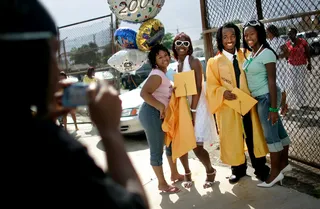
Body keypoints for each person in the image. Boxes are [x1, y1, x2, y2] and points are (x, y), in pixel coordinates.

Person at [2, 1, 148, 208]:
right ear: (33, 58)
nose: (58, 67)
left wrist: (45, 114)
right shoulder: (49, 147)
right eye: (54, 55)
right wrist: (110, 132)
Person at [206, 22, 270, 184]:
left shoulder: (247, 54)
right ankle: (238, 170)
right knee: (233, 136)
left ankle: (261, 168)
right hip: (229, 106)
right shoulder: (214, 62)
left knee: (253, 134)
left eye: (233, 35)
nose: (229, 39)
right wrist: (222, 92)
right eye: (225, 36)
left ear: (237, 37)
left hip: (249, 103)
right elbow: (212, 85)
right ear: (220, 39)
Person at [242, 20, 292, 188]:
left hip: (266, 97)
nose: (248, 37)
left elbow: (272, 81)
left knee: (270, 136)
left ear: (259, 34)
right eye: (246, 34)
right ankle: (284, 165)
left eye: (252, 34)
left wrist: (272, 108)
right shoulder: (252, 54)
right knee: (278, 131)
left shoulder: (267, 53)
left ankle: (275, 174)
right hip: (260, 97)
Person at [139, 44, 188, 193]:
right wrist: (160, 106)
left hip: (161, 114)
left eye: (165, 55)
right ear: (154, 61)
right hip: (151, 113)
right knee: (156, 150)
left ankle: (174, 173)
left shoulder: (164, 73)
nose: (164, 58)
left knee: (171, 144)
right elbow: (144, 93)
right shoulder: (157, 74)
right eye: (159, 57)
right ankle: (162, 184)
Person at [171, 32, 218, 189]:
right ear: (174, 46)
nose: (182, 46)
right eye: (179, 43)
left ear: (190, 46)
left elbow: (198, 87)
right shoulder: (177, 64)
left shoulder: (194, 61)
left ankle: (210, 171)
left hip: (197, 106)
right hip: (184, 106)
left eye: (186, 43)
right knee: (182, 142)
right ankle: (187, 174)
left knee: (197, 147)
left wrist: (193, 110)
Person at [286, 28, 312, 109]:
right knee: (293, 84)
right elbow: (286, 55)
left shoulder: (302, 41)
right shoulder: (288, 43)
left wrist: (309, 63)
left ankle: (302, 102)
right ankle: (297, 101)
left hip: (301, 65)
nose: (289, 35)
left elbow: (307, 52)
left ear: (295, 33)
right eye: (288, 33)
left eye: (291, 33)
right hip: (291, 66)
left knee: (301, 84)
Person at [266, 24, 289, 115]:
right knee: (274, 87)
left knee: (281, 87)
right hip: (271, 67)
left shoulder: (280, 40)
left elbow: (287, 52)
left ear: (272, 32)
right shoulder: (268, 42)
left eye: (267, 32)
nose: (266, 33)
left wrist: (278, 57)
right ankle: (279, 106)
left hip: (280, 66)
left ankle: (284, 107)